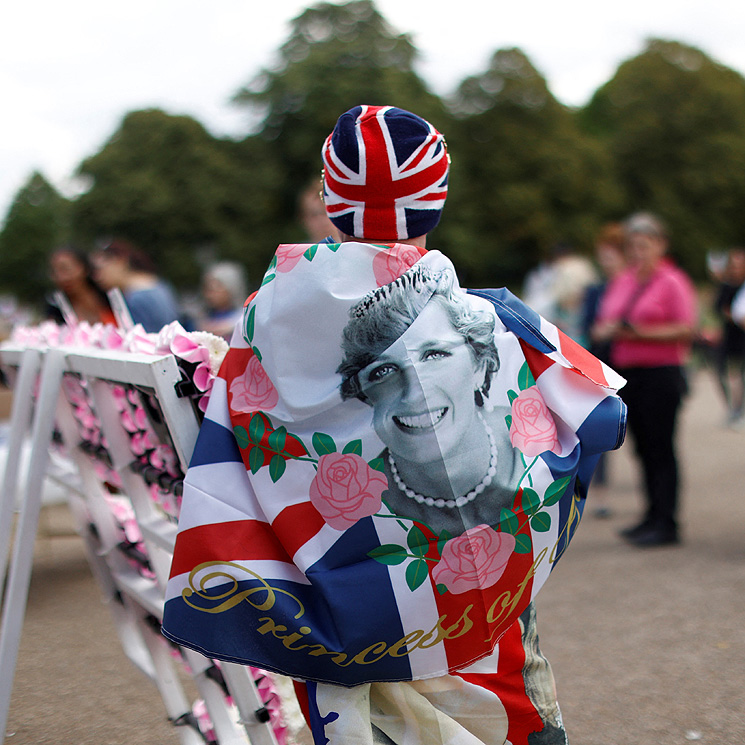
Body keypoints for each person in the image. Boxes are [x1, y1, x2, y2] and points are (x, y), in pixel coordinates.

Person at [162, 105, 627, 745]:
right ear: (435, 202)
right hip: (475, 623)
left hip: (325, 614)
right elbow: (605, 420)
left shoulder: (260, 316)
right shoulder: (484, 315)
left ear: (331, 201)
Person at [592, 212, 697, 547]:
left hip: (660, 374)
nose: (637, 252)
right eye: (632, 246)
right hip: (629, 374)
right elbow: (605, 316)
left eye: (643, 245)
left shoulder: (672, 281)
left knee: (660, 447)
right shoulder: (625, 279)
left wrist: (639, 332)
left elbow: (686, 328)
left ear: (660, 245)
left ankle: (667, 521)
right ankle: (651, 514)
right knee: (641, 447)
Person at [92, 238, 182, 333]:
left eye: (100, 269)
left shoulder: (136, 298)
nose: (97, 277)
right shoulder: (158, 284)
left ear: (119, 261)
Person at [711, 247, 745, 426]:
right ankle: (732, 407)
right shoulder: (725, 286)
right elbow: (718, 308)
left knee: (741, 375)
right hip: (729, 336)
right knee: (721, 372)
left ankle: (739, 409)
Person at [45, 246, 116, 326]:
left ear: (84, 267)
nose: (61, 277)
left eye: (65, 269)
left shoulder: (108, 295)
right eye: (55, 272)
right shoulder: (56, 310)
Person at [197, 261, 248, 340]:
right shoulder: (204, 317)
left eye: (215, 289)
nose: (209, 294)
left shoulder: (244, 317)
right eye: (207, 289)